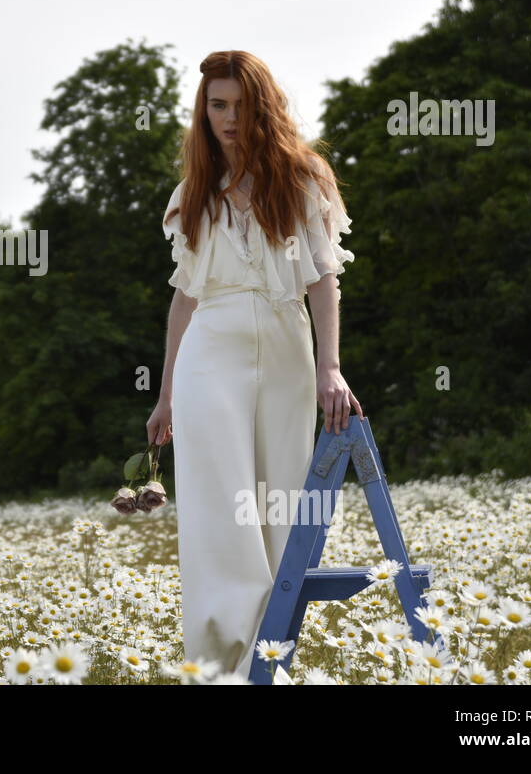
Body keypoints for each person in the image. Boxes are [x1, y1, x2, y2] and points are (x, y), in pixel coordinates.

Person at [146, 50, 364, 679]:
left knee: (277, 504)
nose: (229, 118)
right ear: (203, 109)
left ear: (261, 105)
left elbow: (324, 277)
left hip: (290, 352)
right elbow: (185, 295)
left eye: (241, 105)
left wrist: (331, 368)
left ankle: (271, 660)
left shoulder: (299, 178)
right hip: (209, 355)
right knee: (221, 503)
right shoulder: (193, 193)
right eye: (218, 105)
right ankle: (221, 665)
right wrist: (164, 397)